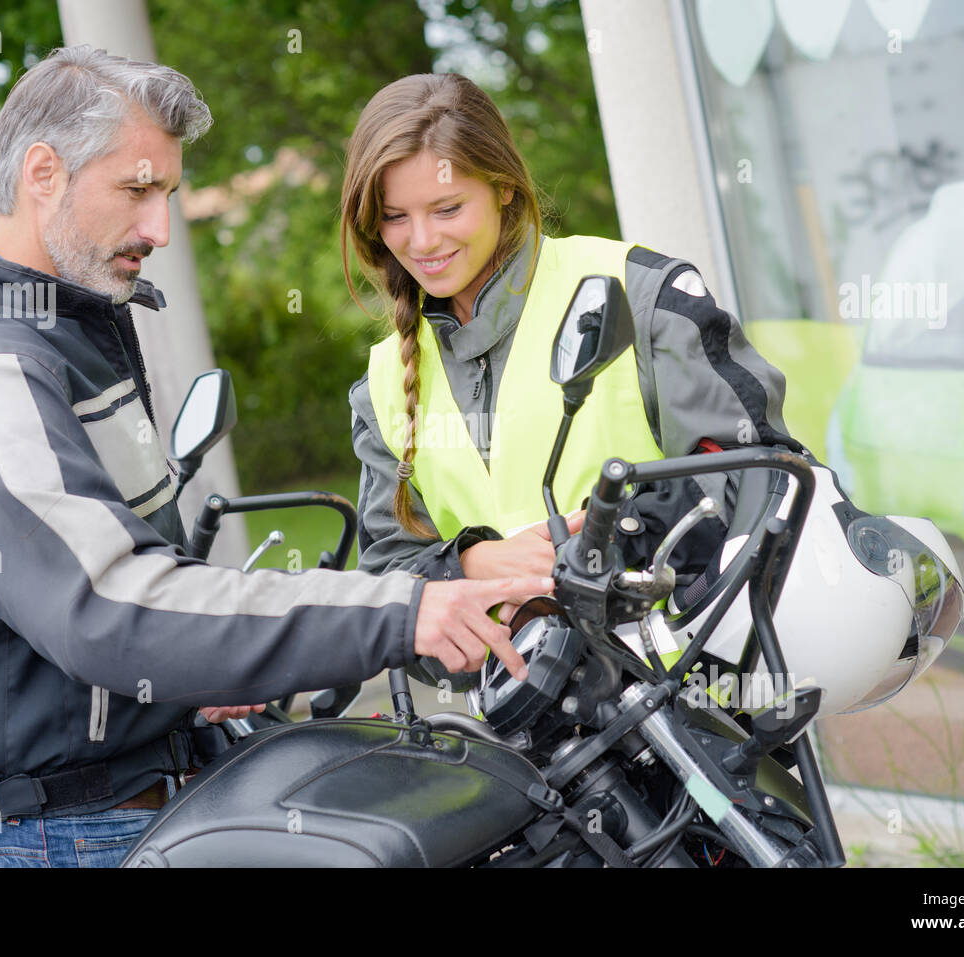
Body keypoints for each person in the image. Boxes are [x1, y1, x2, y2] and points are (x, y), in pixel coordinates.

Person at [0, 47, 547, 868]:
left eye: (166, 191)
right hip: (65, 834)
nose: (160, 228)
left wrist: (191, 678)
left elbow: (129, 588)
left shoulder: (69, 328)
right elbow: (114, 606)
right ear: (43, 173)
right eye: (136, 189)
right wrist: (409, 610)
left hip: (140, 794)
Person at [341, 73, 802, 686]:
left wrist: (597, 549)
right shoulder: (379, 385)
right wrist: (471, 564)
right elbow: (387, 593)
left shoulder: (641, 293)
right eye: (396, 217)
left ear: (505, 186)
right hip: (525, 744)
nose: (422, 241)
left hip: (701, 707)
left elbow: (762, 472)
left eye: (447, 208)